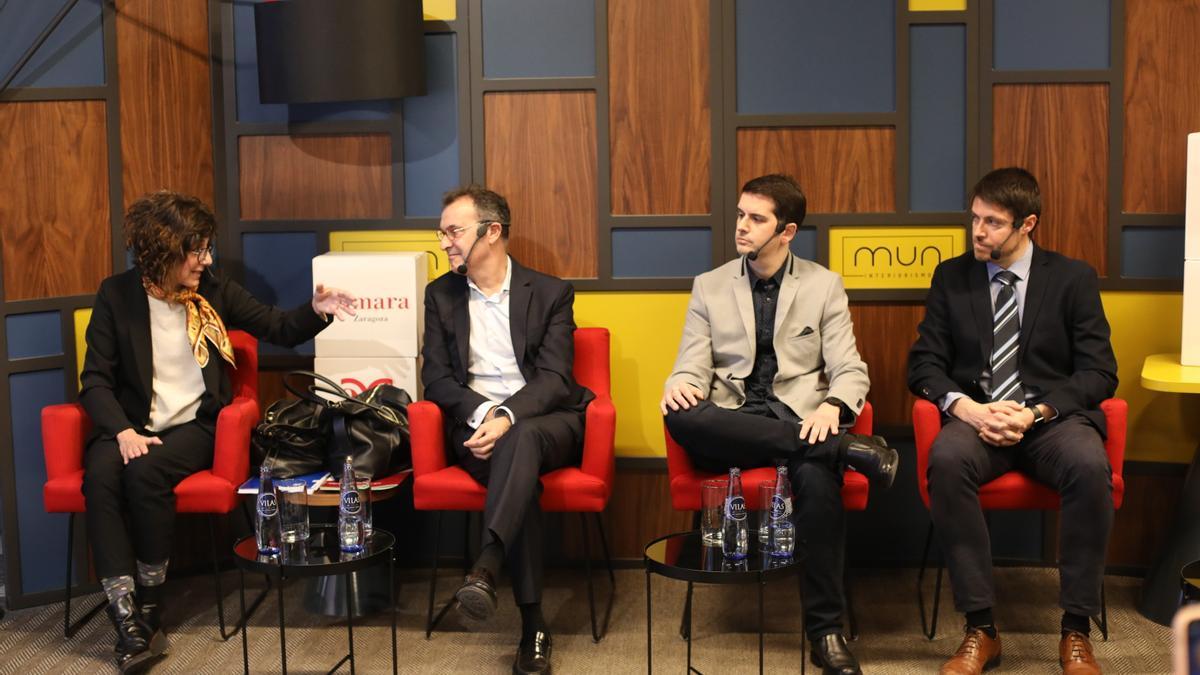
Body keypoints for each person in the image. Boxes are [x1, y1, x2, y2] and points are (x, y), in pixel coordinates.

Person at [80, 191, 356, 673]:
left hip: (194, 426)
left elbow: (279, 326)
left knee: (144, 473)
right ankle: (126, 618)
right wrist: (122, 430)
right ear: (162, 251)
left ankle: (149, 604)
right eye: (196, 250)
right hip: (130, 426)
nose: (205, 259)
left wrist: (317, 310)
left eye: (206, 249)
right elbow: (96, 381)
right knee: (100, 476)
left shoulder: (214, 290)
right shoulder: (116, 295)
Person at [662, 174, 899, 675]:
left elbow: (850, 368)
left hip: (801, 419)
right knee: (682, 414)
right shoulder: (709, 286)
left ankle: (826, 631)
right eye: (740, 214)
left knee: (813, 474)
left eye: (756, 218)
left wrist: (834, 407)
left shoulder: (822, 285)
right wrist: (678, 381)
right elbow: (691, 363)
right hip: (732, 423)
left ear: (786, 231)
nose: (741, 227)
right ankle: (848, 450)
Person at [907, 167, 1117, 675]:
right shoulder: (952, 277)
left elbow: (1099, 372)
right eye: (974, 218)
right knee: (947, 457)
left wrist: (1035, 411)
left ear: (1028, 224)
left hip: (1050, 420)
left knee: (1091, 466)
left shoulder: (1072, 278)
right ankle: (981, 629)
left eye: (993, 223)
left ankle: (1076, 631)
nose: (978, 232)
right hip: (979, 418)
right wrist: (968, 408)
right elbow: (923, 364)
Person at [421, 185, 593, 675]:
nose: (445, 242)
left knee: (519, 440)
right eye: (443, 232)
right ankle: (533, 626)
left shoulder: (551, 292)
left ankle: (487, 563)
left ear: (492, 232)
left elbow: (556, 379)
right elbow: (435, 379)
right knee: (519, 470)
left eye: (453, 231)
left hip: (547, 422)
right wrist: (483, 414)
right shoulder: (441, 296)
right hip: (476, 427)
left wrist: (507, 416)